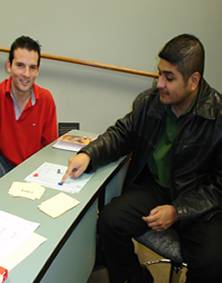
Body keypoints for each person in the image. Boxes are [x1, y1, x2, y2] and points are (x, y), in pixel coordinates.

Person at [62, 34, 222, 283]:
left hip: (198, 200)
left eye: (169, 78)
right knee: (110, 220)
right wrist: (88, 153)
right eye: (159, 74)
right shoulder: (150, 103)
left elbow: (218, 187)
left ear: (193, 81)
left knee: (212, 263)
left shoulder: (217, 116)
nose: (159, 84)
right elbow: (121, 134)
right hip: (155, 189)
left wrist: (178, 211)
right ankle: (134, 279)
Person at [0, 36, 58, 188]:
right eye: (20, 65)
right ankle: (2, 192)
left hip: (31, 171)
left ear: (38, 70)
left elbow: (49, 152)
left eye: (32, 67)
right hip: (1, 168)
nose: (26, 74)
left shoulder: (46, 99)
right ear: (9, 66)